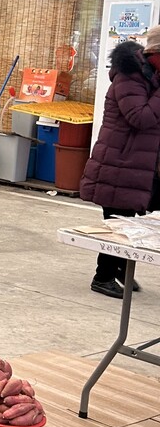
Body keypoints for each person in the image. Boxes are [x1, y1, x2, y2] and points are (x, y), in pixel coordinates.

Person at [80, 27, 160, 298]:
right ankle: (102, 277)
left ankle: (122, 269)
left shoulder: (151, 76)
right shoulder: (129, 77)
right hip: (119, 163)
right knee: (118, 222)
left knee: (133, 222)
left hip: (138, 165)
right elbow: (142, 117)